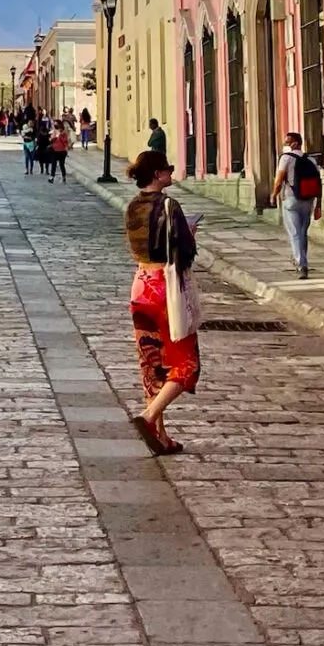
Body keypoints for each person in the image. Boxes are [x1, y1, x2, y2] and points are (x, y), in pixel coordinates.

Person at [123, 146, 200, 456]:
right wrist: (191, 234)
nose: (170, 172)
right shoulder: (170, 205)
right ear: (157, 174)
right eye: (167, 168)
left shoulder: (131, 206)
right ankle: (148, 416)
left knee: (152, 365)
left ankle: (161, 436)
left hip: (140, 286)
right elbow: (184, 253)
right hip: (165, 289)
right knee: (186, 364)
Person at [271, 131, 323, 279]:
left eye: (287, 142)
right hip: (308, 200)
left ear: (295, 143)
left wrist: (274, 195)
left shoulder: (285, 158)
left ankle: (301, 264)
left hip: (291, 199)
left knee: (294, 233)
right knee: (302, 233)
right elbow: (318, 183)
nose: (284, 145)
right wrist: (319, 204)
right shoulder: (311, 160)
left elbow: (279, 179)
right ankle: (303, 260)